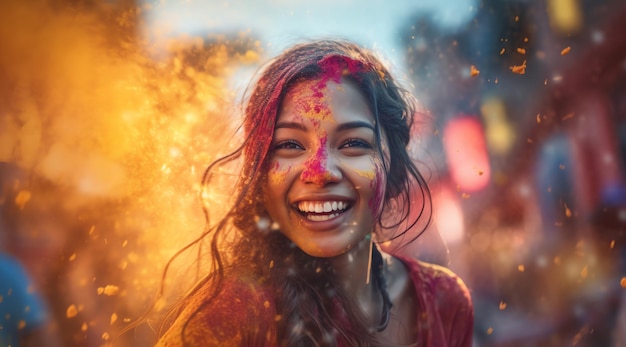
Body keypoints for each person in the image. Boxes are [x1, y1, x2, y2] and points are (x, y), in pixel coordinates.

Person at [156, 39, 473, 346]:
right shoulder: (231, 316)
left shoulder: (445, 301)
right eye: (290, 145)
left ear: (395, 170)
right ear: (260, 177)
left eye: (353, 143)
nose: (319, 172)